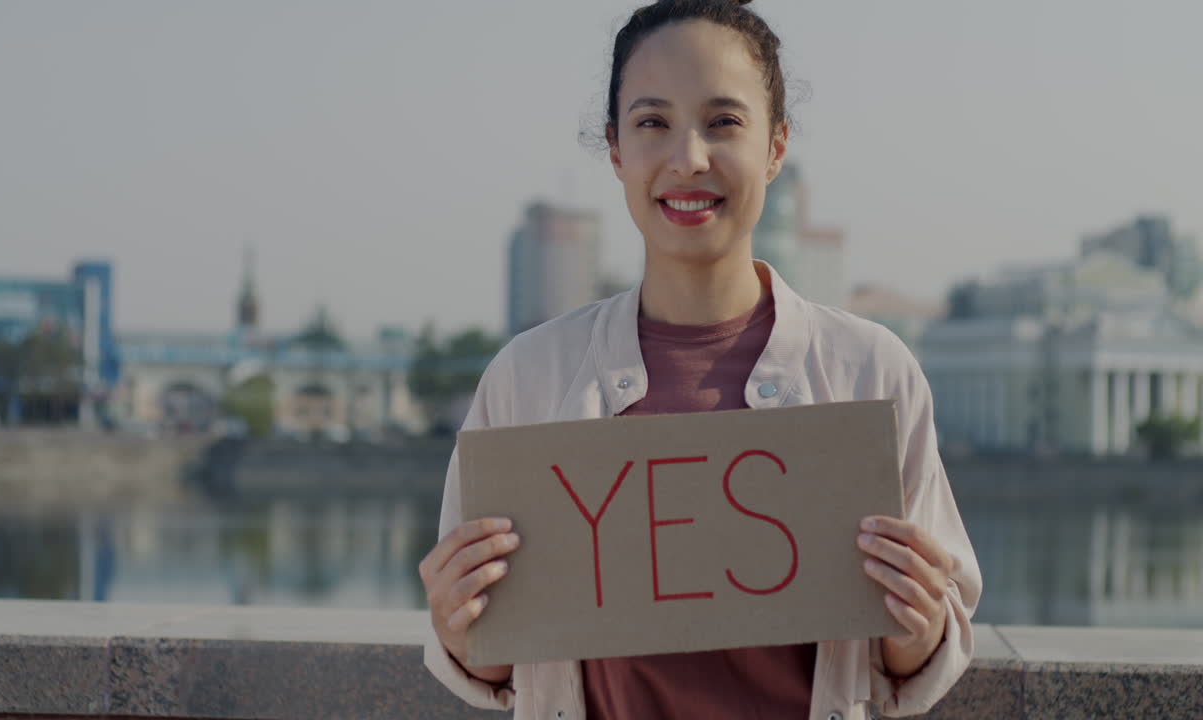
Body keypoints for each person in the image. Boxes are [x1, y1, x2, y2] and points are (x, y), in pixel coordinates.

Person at [418, 1, 982, 718]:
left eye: (724, 123)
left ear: (776, 148)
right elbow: (494, 665)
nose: (688, 159)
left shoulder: (872, 372)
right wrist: (459, 622)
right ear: (615, 149)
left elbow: (923, 656)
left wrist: (919, 623)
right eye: (653, 122)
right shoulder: (527, 379)